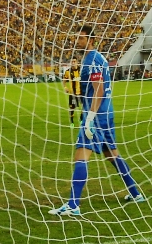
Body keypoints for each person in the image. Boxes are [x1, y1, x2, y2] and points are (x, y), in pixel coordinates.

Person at [50, 24, 144, 216]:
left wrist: (90, 118)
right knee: (112, 155)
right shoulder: (99, 58)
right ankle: (135, 193)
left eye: (82, 38)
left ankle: (73, 204)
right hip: (107, 113)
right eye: (76, 37)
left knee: (81, 156)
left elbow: (98, 89)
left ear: (91, 40)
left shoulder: (92, 59)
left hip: (96, 114)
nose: (77, 41)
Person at [62, 57, 84, 125]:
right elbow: (64, 81)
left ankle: (81, 119)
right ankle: (71, 122)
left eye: (74, 61)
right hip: (72, 93)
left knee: (85, 106)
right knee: (72, 108)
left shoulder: (82, 70)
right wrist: (65, 87)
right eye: (72, 62)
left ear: (77, 62)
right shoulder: (68, 72)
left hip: (81, 92)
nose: (73, 63)